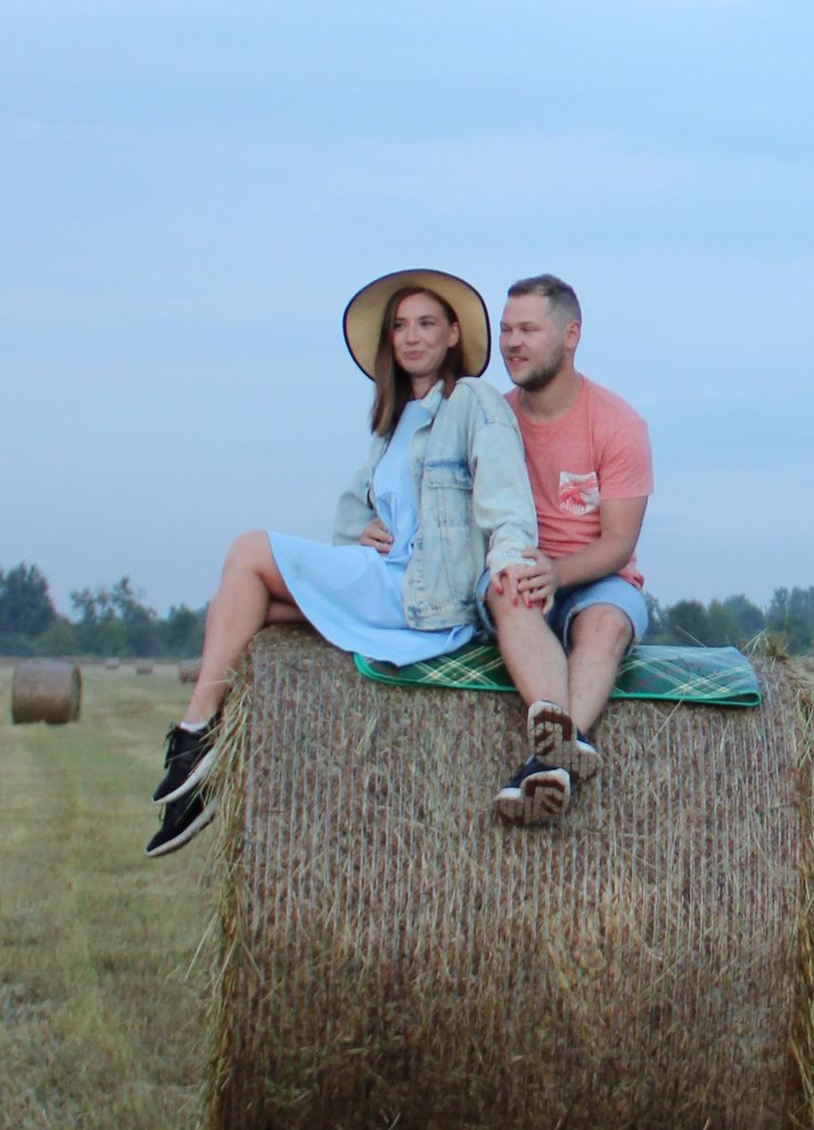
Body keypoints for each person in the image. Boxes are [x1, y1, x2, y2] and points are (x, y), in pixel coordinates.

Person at [146, 266, 580, 855]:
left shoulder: (473, 403)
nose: (411, 336)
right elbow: (356, 511)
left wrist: (509, 565)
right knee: (246, 605)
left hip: (426, 597)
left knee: (248, 551)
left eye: (427, 323)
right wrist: (361, 533)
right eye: (400, 326)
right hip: (386, 581)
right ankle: (207, 777)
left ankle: (195, 734)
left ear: (454, 334)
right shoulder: (392, 421)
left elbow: (506, 505)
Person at [487, 272, 655, 799]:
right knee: (511, 588)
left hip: (597, 577)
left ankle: (551, 758)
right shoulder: (493, 419)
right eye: (507, 329)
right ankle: (559, 759)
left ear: (571, 335)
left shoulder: (618, 424)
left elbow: (619, 543)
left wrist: (557, 573)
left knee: (605, 624)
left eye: (529, 330)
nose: (512, 342)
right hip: (522, 572)